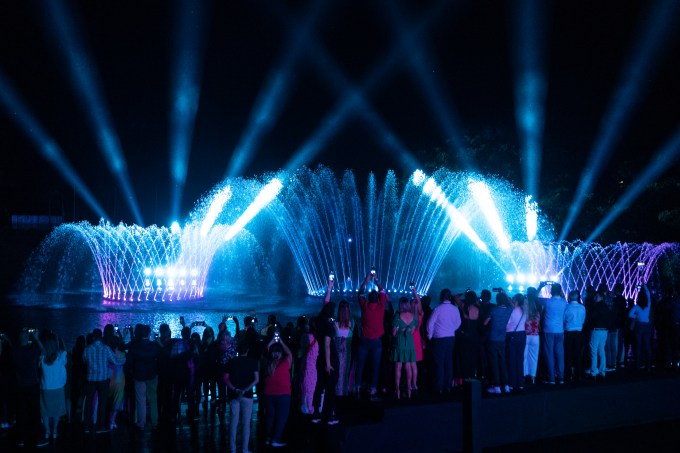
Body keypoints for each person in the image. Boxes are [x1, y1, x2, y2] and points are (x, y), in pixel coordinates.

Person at [83, 327, 126, 433]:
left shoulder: (88, 348)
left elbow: (84, 361)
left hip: (91, 378)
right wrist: (123, 359)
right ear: (101, 337)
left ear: (93, 337)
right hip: (103, 379)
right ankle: (100, 426)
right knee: (102, 402)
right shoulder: (105, 348)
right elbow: (114, 360)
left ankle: (87, 426)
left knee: (89, 402)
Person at [355, 271, 388, 399]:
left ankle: (357, 387)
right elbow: (383, 292)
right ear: (378, 299)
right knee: (375, 366)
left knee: (361, 365)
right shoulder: (381, 307)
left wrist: (367, 279)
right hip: (377, 341)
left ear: (369, 298)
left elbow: (360, 293)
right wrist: (377, 280)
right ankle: (373, 389)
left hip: (364, 340)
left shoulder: (364, 306)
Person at [225, 341, 259, 453]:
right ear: (247, 350)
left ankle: (232, 448)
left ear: (237, 350)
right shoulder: (253, 362)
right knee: (246, 423)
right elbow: (256, 379)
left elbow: (225, 378)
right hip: (247, 395)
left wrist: (235, 389)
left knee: (233, 422)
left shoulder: (231, 361)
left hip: (234, 395)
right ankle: (245, 449)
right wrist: (245, 389)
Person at [14, 328, 46, 448]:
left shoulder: (15, 352)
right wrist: (37, 338)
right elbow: (43, 351)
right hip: (32, 385)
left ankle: (21, 439)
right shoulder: (31, 350)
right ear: (27, 338)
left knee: (21, 412)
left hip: (20, 386)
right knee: (34, 412)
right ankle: (38, 438)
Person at [126, 324, 162, 430]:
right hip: (152, 375)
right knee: (153, 399)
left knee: (140, 400)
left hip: (139, 376)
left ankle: (141, 423)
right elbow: (161, 356)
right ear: (149, 334)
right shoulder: (154, 345)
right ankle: (155, 421)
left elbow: (129, 362)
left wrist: (132, 371)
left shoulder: (135, 346)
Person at [426, 288, 462, 394]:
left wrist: (430, 335)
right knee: (449, 361)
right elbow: (458, 323)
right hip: (451, 338)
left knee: (439, 362)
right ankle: (448, 385)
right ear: (450, 297)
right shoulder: (455, 309)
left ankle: (439, 386)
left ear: (441, 296)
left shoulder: (437, 309)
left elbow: (430, 324)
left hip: (439, 338)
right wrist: (451, 330)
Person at [312, 295, 340, 424]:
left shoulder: (319, 321)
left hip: (320, 357)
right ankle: (330, 414)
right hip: (330, 359)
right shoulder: (328, 325)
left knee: (319, 385)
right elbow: (328, 343)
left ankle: (316, 413)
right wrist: (329, 364)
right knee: (330, 387)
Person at [262, 337, 293, 447]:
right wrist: (281, 341)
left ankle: (268, 438)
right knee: (281, 417)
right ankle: (276, 439)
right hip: (283, 394)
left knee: (270, 417)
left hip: (269, 394)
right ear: (280, 354)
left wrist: (272, 342)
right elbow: (289, 353)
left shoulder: (267, 363)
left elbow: (264, 350)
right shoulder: (285, 363)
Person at [484, 291, 513, 393]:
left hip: (492, 339)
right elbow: (512, 304)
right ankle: (505, 385)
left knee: (494, 362)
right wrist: (505, 295)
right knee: (502, 361)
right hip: (502, 339)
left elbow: (485, 323)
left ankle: (496, 386)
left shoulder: (494, 310)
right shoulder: (509, 310)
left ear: (497, 300)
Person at [40, 333, 67, 441]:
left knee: (45, 411)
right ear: (56, 344)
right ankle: (55, 431)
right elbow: (65, 353)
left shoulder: (42, 357)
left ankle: (47, 431)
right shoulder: (62, 355)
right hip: (58, 387)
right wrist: (61, 341)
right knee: (57, 410)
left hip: (45, 387)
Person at [391, 295, 418, 399]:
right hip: (410, 344)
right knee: (408, 366)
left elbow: (393, 333)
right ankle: (409, 389)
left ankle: (397, 390)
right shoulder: (414, 316)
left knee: (398, 367)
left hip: (400, 343)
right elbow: (413, 331)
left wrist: (399, 331)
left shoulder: (398, 316)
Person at [540, 282, 567, 384]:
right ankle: (561, 377)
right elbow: (563, 296)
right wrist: (560, 291)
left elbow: (535, 297)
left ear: (551, 291)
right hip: (560, 331)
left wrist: (541, 286)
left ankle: (551, 378)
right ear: (560, 291)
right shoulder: (564, 302)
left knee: (549, 354)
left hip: (548, 330)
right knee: (560, 354)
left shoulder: (547, 302)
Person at [586, 290, 612, 379]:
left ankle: (593, 371)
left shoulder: (595, 307)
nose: (595, 297)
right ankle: (602, 371)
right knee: (602, 350)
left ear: (601, 297)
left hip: (596, 330)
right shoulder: (606, 307)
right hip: (605, 331)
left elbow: (590, 318)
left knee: (593, 351)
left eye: (596, 296)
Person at [506, 293, 527, 391]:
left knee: (512, 360)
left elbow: (507, 324)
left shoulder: (512, 311)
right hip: (522, 334)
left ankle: (512, 383)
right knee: (520, 359)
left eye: (513, 299)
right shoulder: (524, 310)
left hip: (512, 335)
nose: (512, 300)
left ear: (516, 301)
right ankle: (521, 383)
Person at [564, 290, 586, 382]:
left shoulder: (567, 307)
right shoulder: (582, 307)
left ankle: (568, 374)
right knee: (578, 354)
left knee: (568, 354)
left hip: (569, 332)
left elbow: (564, 319)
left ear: (569, 297)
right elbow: (583, 319)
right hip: (579, 332)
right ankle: (579, 374)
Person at [629, 284, 653, 371]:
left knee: (638, 345)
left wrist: (636, 317)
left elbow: (629, 314)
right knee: (647, 346)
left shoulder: (637, 307)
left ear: (638, 298)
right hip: (647, 326)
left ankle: (638, 365)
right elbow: (648, 294)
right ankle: (648, 366)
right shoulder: (648, 305)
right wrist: (644, 285)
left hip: (639, 326)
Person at [334, 299, 354, 397]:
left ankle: (337, 393)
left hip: (337, 353)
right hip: (347, 352)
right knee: (345, 373)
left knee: (338, 374)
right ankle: (344, 394)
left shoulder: (335, 323)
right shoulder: (352, 323)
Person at [459, 290, 480, 382]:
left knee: (465, 355)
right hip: (474, 335)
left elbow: (456, 297)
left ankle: (465, 375)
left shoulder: (464, 307)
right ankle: (472, 374)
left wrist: (464, 292)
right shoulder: (478, 309)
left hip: (465, 335)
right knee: (473, 355)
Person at [298, 317, 318, 415]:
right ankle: (312, 408)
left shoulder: (305, 337)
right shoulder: (320, 337)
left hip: (307, 364)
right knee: (313, 386)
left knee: (305, 386)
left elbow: (301, 353)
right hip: (316, 366)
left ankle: (306, 408)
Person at [523, 287, 541, 384]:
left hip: (525, 333)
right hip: (536, 334)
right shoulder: (538, 303)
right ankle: (533, 376)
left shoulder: (525, 302)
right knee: (534, 357)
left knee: (524, 356)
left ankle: (524, 375)